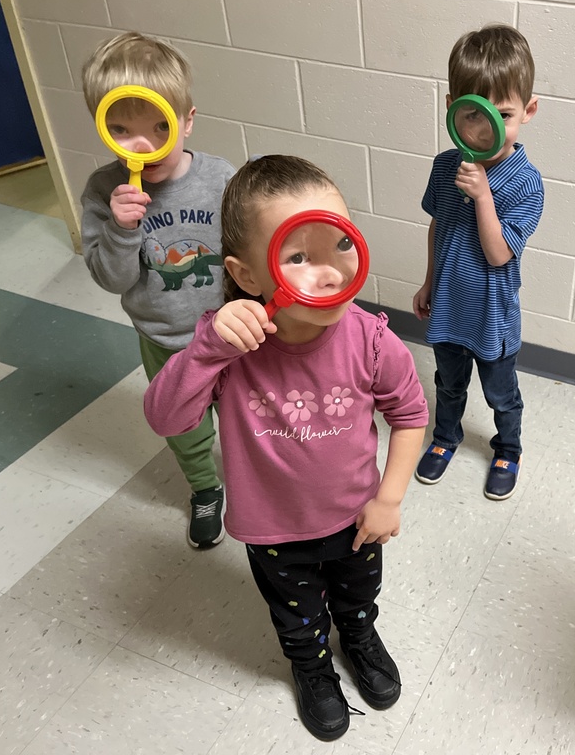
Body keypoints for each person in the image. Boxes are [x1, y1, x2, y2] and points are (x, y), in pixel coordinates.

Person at [143, 155, 428, 742]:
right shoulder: (227, 344)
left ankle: (357, 634)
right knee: (295, 616)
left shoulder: (372, 340)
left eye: (340, 246)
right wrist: (207, 353)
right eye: (297, 257)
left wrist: (390, 499)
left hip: (358, 519)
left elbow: (410, 416)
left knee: (358, 594)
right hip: (274, 531)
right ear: (247, 275)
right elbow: (164, 417)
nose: (327, 274)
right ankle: (311, 665)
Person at [80, 31, 235, 548]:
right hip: (163, 340)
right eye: (121, 129)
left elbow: (250, 250)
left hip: (231, 335)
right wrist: (122, 230)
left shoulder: (220, 178)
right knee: (185, 428)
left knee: (244, 416)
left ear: (188, 120)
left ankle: (252, 477)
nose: (142, 145)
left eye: (159, 127)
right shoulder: (105, 191)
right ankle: (205, 488)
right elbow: (110, 279)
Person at [412, 23, 543, 501]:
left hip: (492, 316)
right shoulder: (445, 166)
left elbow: (498, 252)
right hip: (449, 304)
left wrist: (484, 197)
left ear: (528, 111)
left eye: (502, 115)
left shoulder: (526, 183)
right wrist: (429, 282)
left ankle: (508, 448)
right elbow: (438, 225)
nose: (486, 130)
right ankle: (445, 438)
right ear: (452, 111)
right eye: (473, 115)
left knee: (500, 394)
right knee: (447, 385)